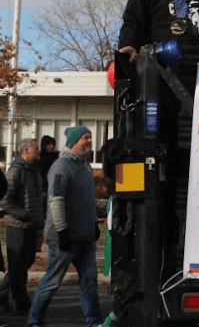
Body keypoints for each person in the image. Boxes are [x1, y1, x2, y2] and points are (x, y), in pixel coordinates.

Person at [28, 126, 102, 327]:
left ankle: (93, 322)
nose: (89, 141)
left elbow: (88, 200)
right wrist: (62, 231)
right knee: (52, 282)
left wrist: (94, 223)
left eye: (90, 138)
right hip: (64, 237)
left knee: (89, 282)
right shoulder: (61, 166)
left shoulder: (85, 166)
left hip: (84, 237)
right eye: (85, 138)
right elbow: (57, 201)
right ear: (74, 141)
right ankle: (34, 320)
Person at [0, 138, 44, 314]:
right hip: (18, 225)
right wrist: (22, 214)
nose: (38, 151)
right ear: (25, 150)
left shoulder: (35, 171)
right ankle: (17, 299)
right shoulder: (16, 171)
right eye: (35, 148)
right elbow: (4, 199)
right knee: (17, 264)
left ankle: (14, 297)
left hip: (32, 225)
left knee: (27, 260)